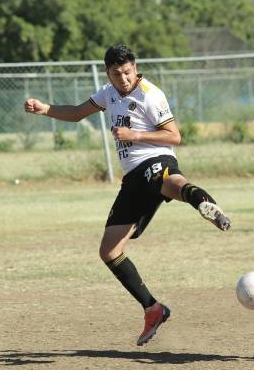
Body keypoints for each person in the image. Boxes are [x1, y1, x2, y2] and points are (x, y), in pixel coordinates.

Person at [24, 44, 231, 346]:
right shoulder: (108, 92)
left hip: (156, 158)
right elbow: (78, 113)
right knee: (109, 251)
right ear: (108, 73)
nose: (123, 78)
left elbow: (174, 136)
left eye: (127, 71)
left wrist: (135, 135)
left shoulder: (150, 94)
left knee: (168, 180)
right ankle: (153, 308)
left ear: (135, 67)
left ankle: (204, 203)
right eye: (116, 73)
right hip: (131, 177)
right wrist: (46, 110)